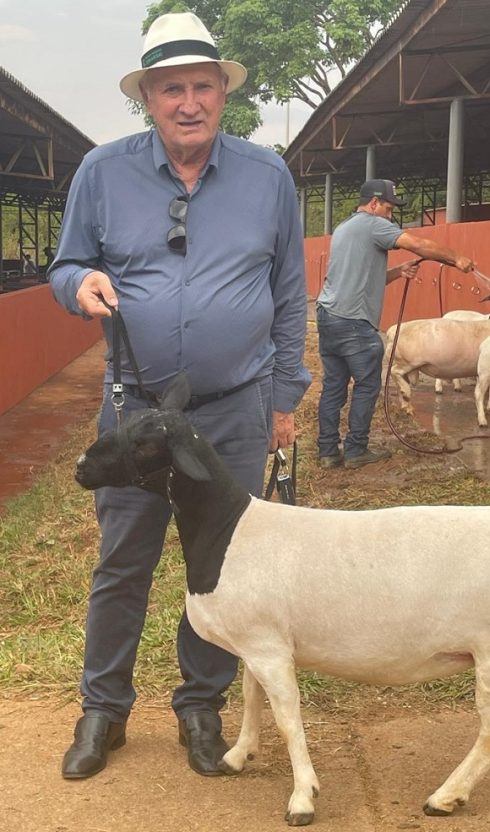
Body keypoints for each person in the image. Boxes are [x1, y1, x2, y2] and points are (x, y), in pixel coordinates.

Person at [49, 12, 310, 781]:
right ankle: (103, 710)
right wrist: (78, 283)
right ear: (148, 99)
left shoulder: (267, 176)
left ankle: (202, 705)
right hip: (136, 410)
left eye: (202, 86)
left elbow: (289, 295)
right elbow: (66, 265)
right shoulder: (102, 172)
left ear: (223, 92)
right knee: (123, 559)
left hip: (234, 407)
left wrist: (284, 399)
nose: (188, 103)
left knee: (221, 563)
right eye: (171, 89)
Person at [316, 179, 474, 469]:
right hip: (354, 322)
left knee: (334, 386)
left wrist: (398, 272)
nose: (390, 216)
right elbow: (419, 245)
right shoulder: (373, 224)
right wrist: (456, 258)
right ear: (374, 203)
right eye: (388, 209)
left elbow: (361, 278)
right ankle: (355, 450)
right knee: (367, 385)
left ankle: (327, 451)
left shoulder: (344, 228)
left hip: (329, 317)